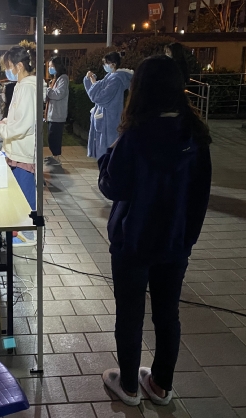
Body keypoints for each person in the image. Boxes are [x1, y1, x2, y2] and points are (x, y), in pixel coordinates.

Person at [98, 55, 212, 407]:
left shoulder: (135, 135)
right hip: (175, 241)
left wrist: (107, 157)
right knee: (167, 313)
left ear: (140, 90)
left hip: (133, 241)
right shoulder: (195, 136)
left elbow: (113, 187)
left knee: (130, 314)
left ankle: (129, 386)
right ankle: (161, 385)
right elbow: (200, 197)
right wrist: (187, 240)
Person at [0, 45, 40, 246]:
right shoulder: (22, 85)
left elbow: (23, 125)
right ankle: (20, 231)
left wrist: (0, 129)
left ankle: (29, 235)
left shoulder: (28, 87)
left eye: (9, 66)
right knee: (19, 195)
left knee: (25, 197)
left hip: (23, 151)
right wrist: (3, 123)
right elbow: (16, 119)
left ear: (19, 66)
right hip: (16, 150)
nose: (7, 71)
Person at [84, 52, 133, 159]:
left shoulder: (116, 79)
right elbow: (98, 89)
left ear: (113, 64)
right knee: (105, 150)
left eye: (106, 63)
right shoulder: (110, 77)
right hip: (106, 116)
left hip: (110, 118)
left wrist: (93, 83)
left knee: (108, 150)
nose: (104, 66)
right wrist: (90, 80)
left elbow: (101, 97)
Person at [45, 56, 69, 165]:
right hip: (52, 114)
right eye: (49, 66)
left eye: (51, 66)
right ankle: (55, 156)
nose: (50, 69)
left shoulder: (63, 78)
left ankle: (57, 157)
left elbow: (58, 94)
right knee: (51, 137)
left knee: (54, 137)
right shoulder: (55, 79)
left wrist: (48, 90)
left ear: (57, 66)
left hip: (58, 114)